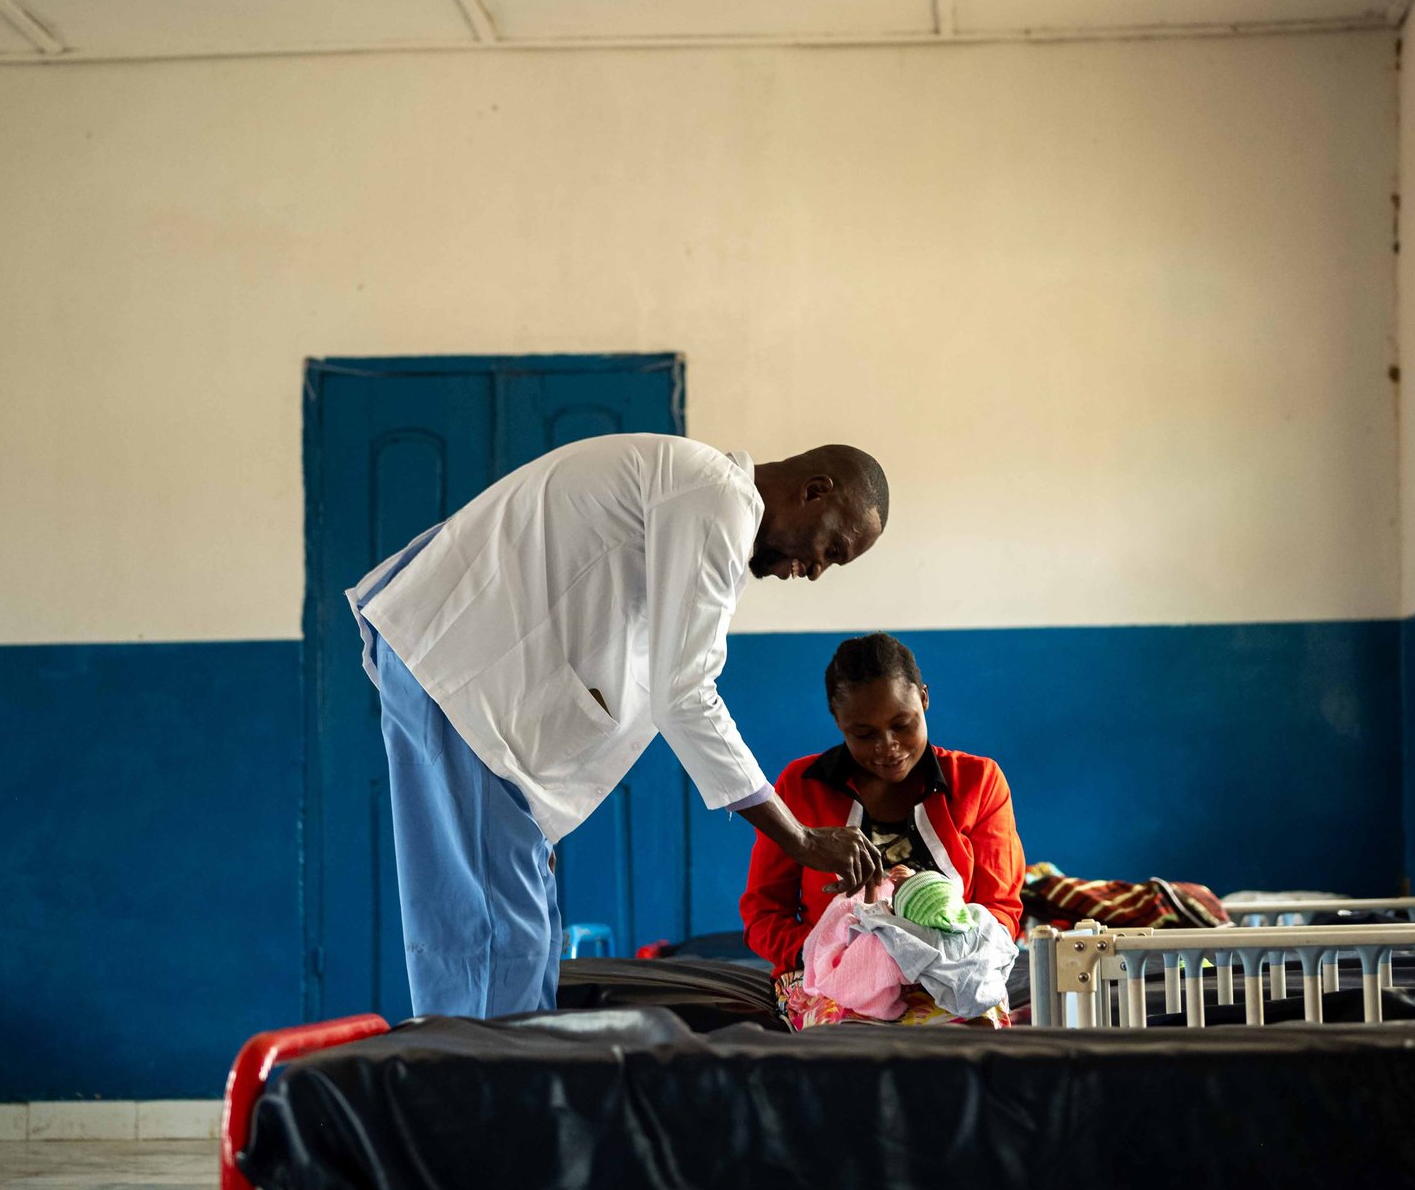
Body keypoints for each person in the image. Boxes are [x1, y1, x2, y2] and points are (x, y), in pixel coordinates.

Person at [350, 433, 892, 1019]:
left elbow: (612, 652)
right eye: (832, 549)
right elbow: (683, 694)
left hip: (462, 681)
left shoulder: (692, 495)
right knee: (496, 942)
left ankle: (493, 1084)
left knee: (499, 932)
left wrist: (539, 818)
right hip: (467, 682)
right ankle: (487, 1096)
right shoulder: (716, 497)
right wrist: (799, 837)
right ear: (815, 491)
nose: (815, 572)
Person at [740, 632, 1026, 1027]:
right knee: (845, 1045)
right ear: (837, 719)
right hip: (831, 971)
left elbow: (1001, 909)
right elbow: (763, 912)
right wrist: (827, 953)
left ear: (924, 698)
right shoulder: (800, 785)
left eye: (903, 724)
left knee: (972, 1035)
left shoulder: (979, 781)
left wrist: (939, 955)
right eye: (864, 734)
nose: (887, 746)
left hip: (953, 965)